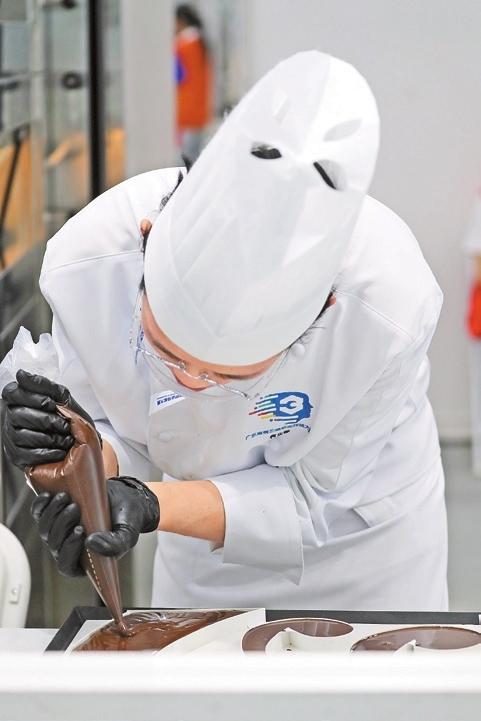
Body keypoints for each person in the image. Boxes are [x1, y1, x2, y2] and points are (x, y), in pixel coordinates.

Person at [1, 51, 447, 611]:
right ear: (146, 240)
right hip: (196, 542)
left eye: (227, 376)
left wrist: (148, 503)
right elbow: (118, 427)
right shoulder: (90, 264)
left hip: (363, 548)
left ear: (324, 310)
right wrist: (79, 461)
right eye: (167, 353)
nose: (190, 384)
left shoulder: (386, 309)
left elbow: (313, 502)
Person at [175, 3, 212, 163]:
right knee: (194, 157)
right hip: (199, 112)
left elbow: (177, 76)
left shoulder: (183, 45)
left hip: (185, 113)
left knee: (187, 160)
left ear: (181, 21)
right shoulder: (200, 42)